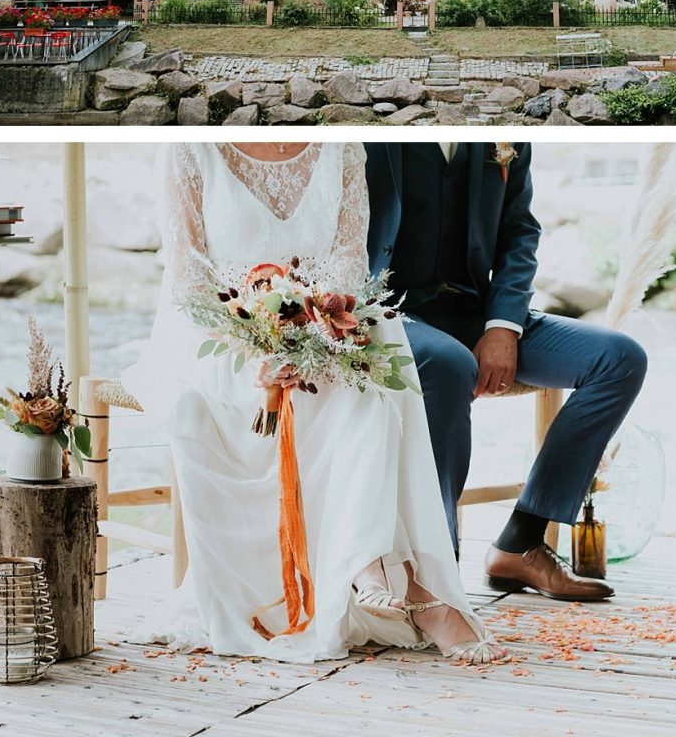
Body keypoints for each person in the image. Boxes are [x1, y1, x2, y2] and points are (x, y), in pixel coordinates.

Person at [141, 141, 492, 661]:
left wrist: (315, 332)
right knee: (340, 382)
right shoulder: (191, 148)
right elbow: (189, 276)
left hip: (317, 320)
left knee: (375, 353)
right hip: (217, 331)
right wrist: (257, 336)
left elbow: (351, 259)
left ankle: (385, 569)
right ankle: (391, 576)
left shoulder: (341, 145)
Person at [365, 141, 648, 599]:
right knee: (449, 363)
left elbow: (519, 231)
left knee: (618, 359)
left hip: (480, 311)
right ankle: (437, 569)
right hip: (391, 314)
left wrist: (503, 326)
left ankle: (520, 542)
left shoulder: (508, 138)